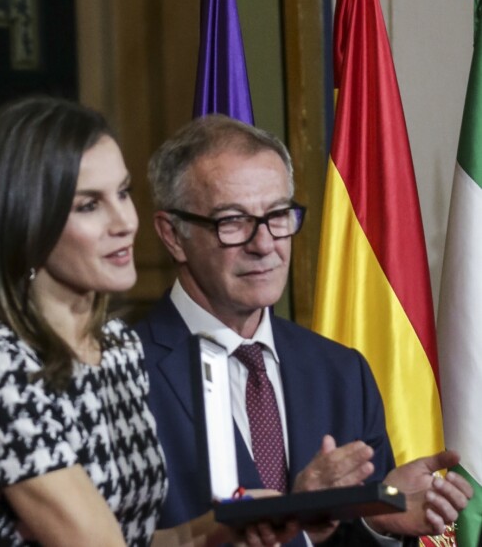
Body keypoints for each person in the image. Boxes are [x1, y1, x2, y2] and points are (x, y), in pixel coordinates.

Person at [0, 96, 303, 547]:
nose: (124, 222)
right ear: (26, 222)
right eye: (88, 206)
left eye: (122, 193)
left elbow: (137, 537)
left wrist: (223, 529)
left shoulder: (118, 346)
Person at [134, 114, 473, 546]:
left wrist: (378, 519)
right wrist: (294, 517)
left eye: (278, 215)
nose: (264, 244)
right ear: (173, 235)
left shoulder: (342, 373)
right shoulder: (118, 374)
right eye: (233, 221)